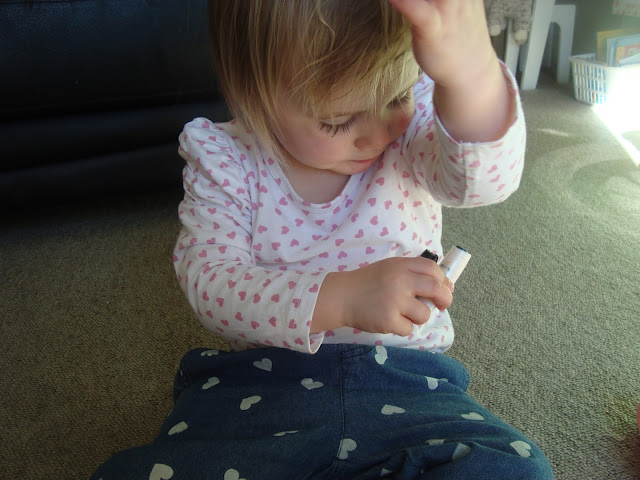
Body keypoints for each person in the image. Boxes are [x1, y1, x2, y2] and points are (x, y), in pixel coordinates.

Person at [91, 0, 554, 478]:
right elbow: (210, 282)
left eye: (397, 97)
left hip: (409, 381)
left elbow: (482, 184)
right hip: (260, 385)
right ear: (253, 96)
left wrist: (471, 75)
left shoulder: (413, 127)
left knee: (513, 467)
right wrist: (341, 297)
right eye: (337, 121)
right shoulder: (225, 157)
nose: (377, 135)